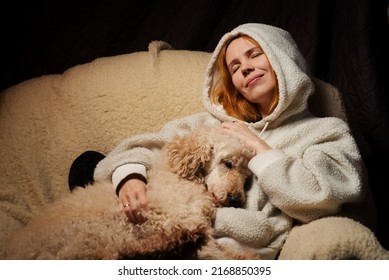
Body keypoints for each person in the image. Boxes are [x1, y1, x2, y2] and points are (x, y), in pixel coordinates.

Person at [68, 23, 375, 259]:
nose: (246, 68)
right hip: (169, 224)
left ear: (284, 58)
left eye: (255, 54)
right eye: (235, 67)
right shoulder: (213, 124)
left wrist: (259, 148)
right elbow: (147, 147)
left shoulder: (324, 131)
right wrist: (130, 179)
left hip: (230, 241)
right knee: (95, 165)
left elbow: (324, 196)